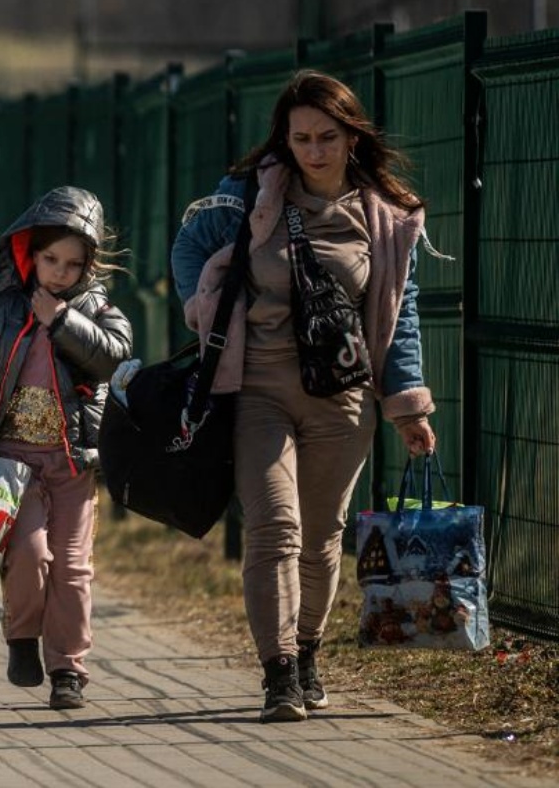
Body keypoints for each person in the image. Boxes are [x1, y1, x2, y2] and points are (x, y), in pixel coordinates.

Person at [171, 70, 440, 724]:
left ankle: (310, 650)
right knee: (273, 527)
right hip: (255, 389)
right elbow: (189, 247)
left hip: (341, 400)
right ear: (284, 140)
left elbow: (398, 315)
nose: (313, 150)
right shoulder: (247, 194)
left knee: (321, 538)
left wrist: (407, 407)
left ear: (352, 136)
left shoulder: (385, 216)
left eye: (326, 137)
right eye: (300, 139)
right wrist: (202, 305)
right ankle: (278, 672)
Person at [0, 186, 133, 711]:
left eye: (73, 265)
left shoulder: (97, 308)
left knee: (73, 569)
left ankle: (69, 668)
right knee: (29, 556)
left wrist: (62, 320)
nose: (59, 273)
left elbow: (114, 356)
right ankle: (22, 637)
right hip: (13, 463)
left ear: (88, 266)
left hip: (74, 463)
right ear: (28, 252)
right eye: (50, 259)